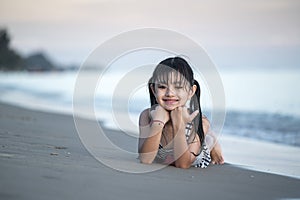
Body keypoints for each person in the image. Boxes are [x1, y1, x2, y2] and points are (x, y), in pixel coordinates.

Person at [138, 56, 224, 169]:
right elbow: (146, 159)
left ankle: (211, 140)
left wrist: (179, 125)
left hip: (194, 154)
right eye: (162, 87)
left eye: (178, 87)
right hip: (165, 153)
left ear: (191, 91)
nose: (170, 93)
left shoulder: (199, 122)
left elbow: (183, 164)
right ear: (154, 90)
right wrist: (158, 123)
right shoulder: (147, 116)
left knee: (207, 140)